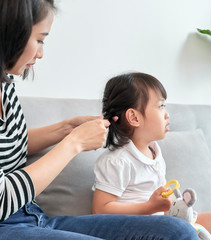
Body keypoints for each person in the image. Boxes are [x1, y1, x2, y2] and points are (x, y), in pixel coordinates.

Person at [0, 1, 199, 239]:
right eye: (40, 39)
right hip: (6, 224)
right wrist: (73, 144)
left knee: (179, 231)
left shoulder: (6, 86)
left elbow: (10, 144)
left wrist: (65, 129)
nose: (41, 53)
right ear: (11, 32)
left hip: (33, 216)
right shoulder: (116, 162)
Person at [92, 72, 211, 240]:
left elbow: (159, 197)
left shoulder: (154, 152)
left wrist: (173, 205)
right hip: (134, 230)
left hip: (161, 223)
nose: (167, 114)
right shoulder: (117, 160)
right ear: (134, 117)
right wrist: (148, 207)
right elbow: (100, 210)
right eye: (161, 106)